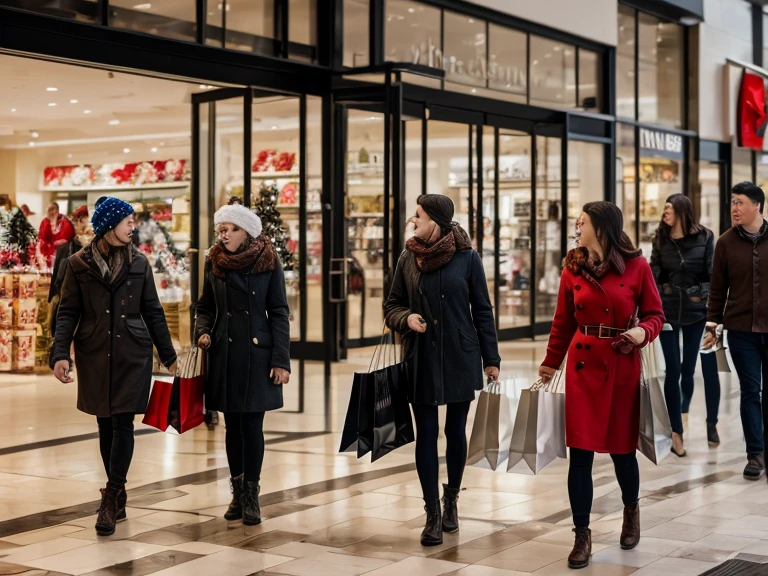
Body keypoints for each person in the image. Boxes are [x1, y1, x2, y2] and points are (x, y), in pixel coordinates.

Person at [539, 201, 664, 570]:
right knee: (580, 454)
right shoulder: (572, 267)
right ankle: (581, 534)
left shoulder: (638, 266)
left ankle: (631, 510)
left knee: (622, 451)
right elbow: (562, 320)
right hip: (582, 365)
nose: (577, 225)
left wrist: (643, 331)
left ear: (603, 228)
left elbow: (656, 313)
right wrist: (550, 361)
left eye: (584, 221)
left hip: (622, 362)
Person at [50, 196, 177, 537]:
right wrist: (59, 353)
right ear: (109, 226)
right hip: (94, 352)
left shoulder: (139, 263)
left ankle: (112, 495)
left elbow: (153, 311)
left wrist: (169, 356)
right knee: (105, 424)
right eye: (127, 221)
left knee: (123, 422)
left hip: (132, 353)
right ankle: (117, 494)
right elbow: (67, 312)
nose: (133, 226)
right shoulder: (78, 264)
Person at [384, 194, 500, 547]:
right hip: (420, 355)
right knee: (427, 431)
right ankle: (432, 512)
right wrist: (407, 318)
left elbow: (482, 309)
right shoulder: (408, 257)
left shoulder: (467, 257)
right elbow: (391, 306)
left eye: (418, 216)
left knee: (455, 430)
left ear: (434, 219)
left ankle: (451, 501)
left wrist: (491, 359)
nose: (413, 221)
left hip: (460, 354)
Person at [194, 203, 291, 526]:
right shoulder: (214, 262)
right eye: (220, 230)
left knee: (252, 426)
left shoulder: (267, 261)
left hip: (256, 353)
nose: (222, 235)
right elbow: (204, 306)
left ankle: (251, 495)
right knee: (231, 426)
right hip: (224, 352)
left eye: (229, 229)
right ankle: (237, 492)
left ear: (245, 231)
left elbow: (278, 311)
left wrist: (281, 359)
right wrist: (203, 331)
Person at [706, 181, 768, 481]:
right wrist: (712, 324)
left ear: (757, 205)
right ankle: (755, 454)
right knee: (750, 391)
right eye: (732, 202)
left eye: (740, 202)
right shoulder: (726, 243)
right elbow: (718, 288)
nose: (734, 208)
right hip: (740, 329)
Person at [650, 194, 721, 455]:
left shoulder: (705, 237)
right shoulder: (660, 238)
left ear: (682, 210)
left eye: (669, 207)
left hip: (695, 312)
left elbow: (712, 274)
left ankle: (685, 411)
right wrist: (659, 296)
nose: (665, 211)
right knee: (672, 371)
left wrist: (699, 295)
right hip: (667, 312)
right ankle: (675, 432)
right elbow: (654, 274)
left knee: (688, 370)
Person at [48, 206, 93, 335]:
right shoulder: (65, 249)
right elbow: (57, 278)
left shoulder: (99, 249)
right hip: (69, 305)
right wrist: (53, 299)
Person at [39, 202, 75, 268]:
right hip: (46, 256)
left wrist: (60, 243)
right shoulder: (45, 222)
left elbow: (68, 239)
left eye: (52, 209)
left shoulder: (65, 222)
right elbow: (41, 239)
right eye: (49, 210)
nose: (50, 212)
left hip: (62, 255)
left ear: (57, 210)